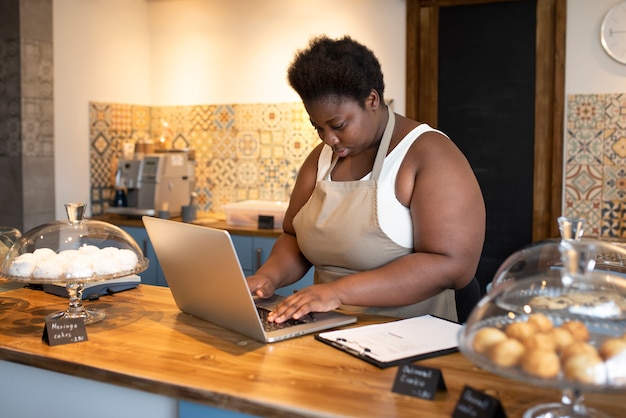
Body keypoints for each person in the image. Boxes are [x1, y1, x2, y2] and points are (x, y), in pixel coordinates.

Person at [247, 35, 485, 324]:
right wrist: (267, 277)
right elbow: (294, 238)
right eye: (317, 128)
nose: (328, 139)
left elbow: (452, 265)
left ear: (372, 100)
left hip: (418, 330)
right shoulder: (321, 159)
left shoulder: (429, 153)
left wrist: (337, 292)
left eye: (337, 125)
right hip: (332, 325)